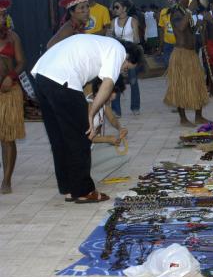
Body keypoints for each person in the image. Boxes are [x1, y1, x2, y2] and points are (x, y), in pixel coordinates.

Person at [31, 35, 142, 203]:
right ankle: (84, 191)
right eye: (126, 67)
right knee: (81, 136)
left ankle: (69, 188)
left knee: (60, 138)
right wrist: (90, 114)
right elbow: (108, 84)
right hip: (62, 79)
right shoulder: (117, 50)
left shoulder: (102, 45)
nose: (122, 71)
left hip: (41, 76)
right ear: (127, 56)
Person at [163, 0, 210, 126]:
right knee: (181, 86)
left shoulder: (184, 12)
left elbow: (189, 31)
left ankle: (199, 116)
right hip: (181, 54)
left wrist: (199, 25)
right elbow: (181, 28)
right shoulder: (176, 13)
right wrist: (190, 9)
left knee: (198, 84)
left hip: (191, 54)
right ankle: (183, 119)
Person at [0, 0, 25, 194]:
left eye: (3, 15)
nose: (2, 19)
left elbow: (21, 62)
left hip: (9, 92)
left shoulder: (13, 37)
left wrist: (11, 76)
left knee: (8, 137)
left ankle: (6, 180)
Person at [109, 0, 141, 117]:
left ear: (125, 9)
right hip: (117, 55)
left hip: (130, 54)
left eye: (117, 7)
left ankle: (135, 107)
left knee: (133, 81)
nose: (115, 10)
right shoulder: (113, 21)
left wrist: (130, 48)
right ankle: (116, 110)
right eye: (114, 7)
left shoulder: (132, 21)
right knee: (116, 81)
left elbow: (137, 39)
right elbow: (111, 37)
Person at [88, 77, 128, 146]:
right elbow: (86, 137)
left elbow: (112, 119)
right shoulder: (89, 106)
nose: (109, 103)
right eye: (109, 99)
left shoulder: (102, 101)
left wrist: (120, 128)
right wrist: (107, 139)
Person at [158, 0, 177, 68]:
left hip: (179, 45)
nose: (171, 0)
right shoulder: (163, 12)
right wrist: (160, 46)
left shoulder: (182, 11)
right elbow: (162, 30)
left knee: (178, 66)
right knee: (167, 65)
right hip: (167, 44)